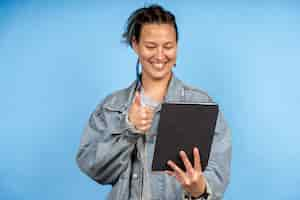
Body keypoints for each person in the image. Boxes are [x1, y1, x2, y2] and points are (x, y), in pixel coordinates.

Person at [76, 4, 231, 200]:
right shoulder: (112, 106)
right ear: (135, 45)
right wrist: (128, 130)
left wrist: (199, 190)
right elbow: (94, 168)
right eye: (150, 46)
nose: (159, 56)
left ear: (177, 46)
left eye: (168, 46)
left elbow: (218, 173)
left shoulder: (201, 105)